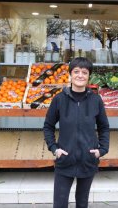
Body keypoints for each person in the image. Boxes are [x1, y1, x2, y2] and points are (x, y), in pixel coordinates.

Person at [43, 57, 110, 208]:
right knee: (60, 203)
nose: (80, 75)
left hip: (88, 159)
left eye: (84, 72)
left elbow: (104, 127)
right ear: (70, 75)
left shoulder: (95, 100)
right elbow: (48, 126)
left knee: (82, 202)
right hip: (65, 159)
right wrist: (54, 148)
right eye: (76, 71)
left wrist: (102, 150)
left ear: (88, 76)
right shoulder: (59, 99)